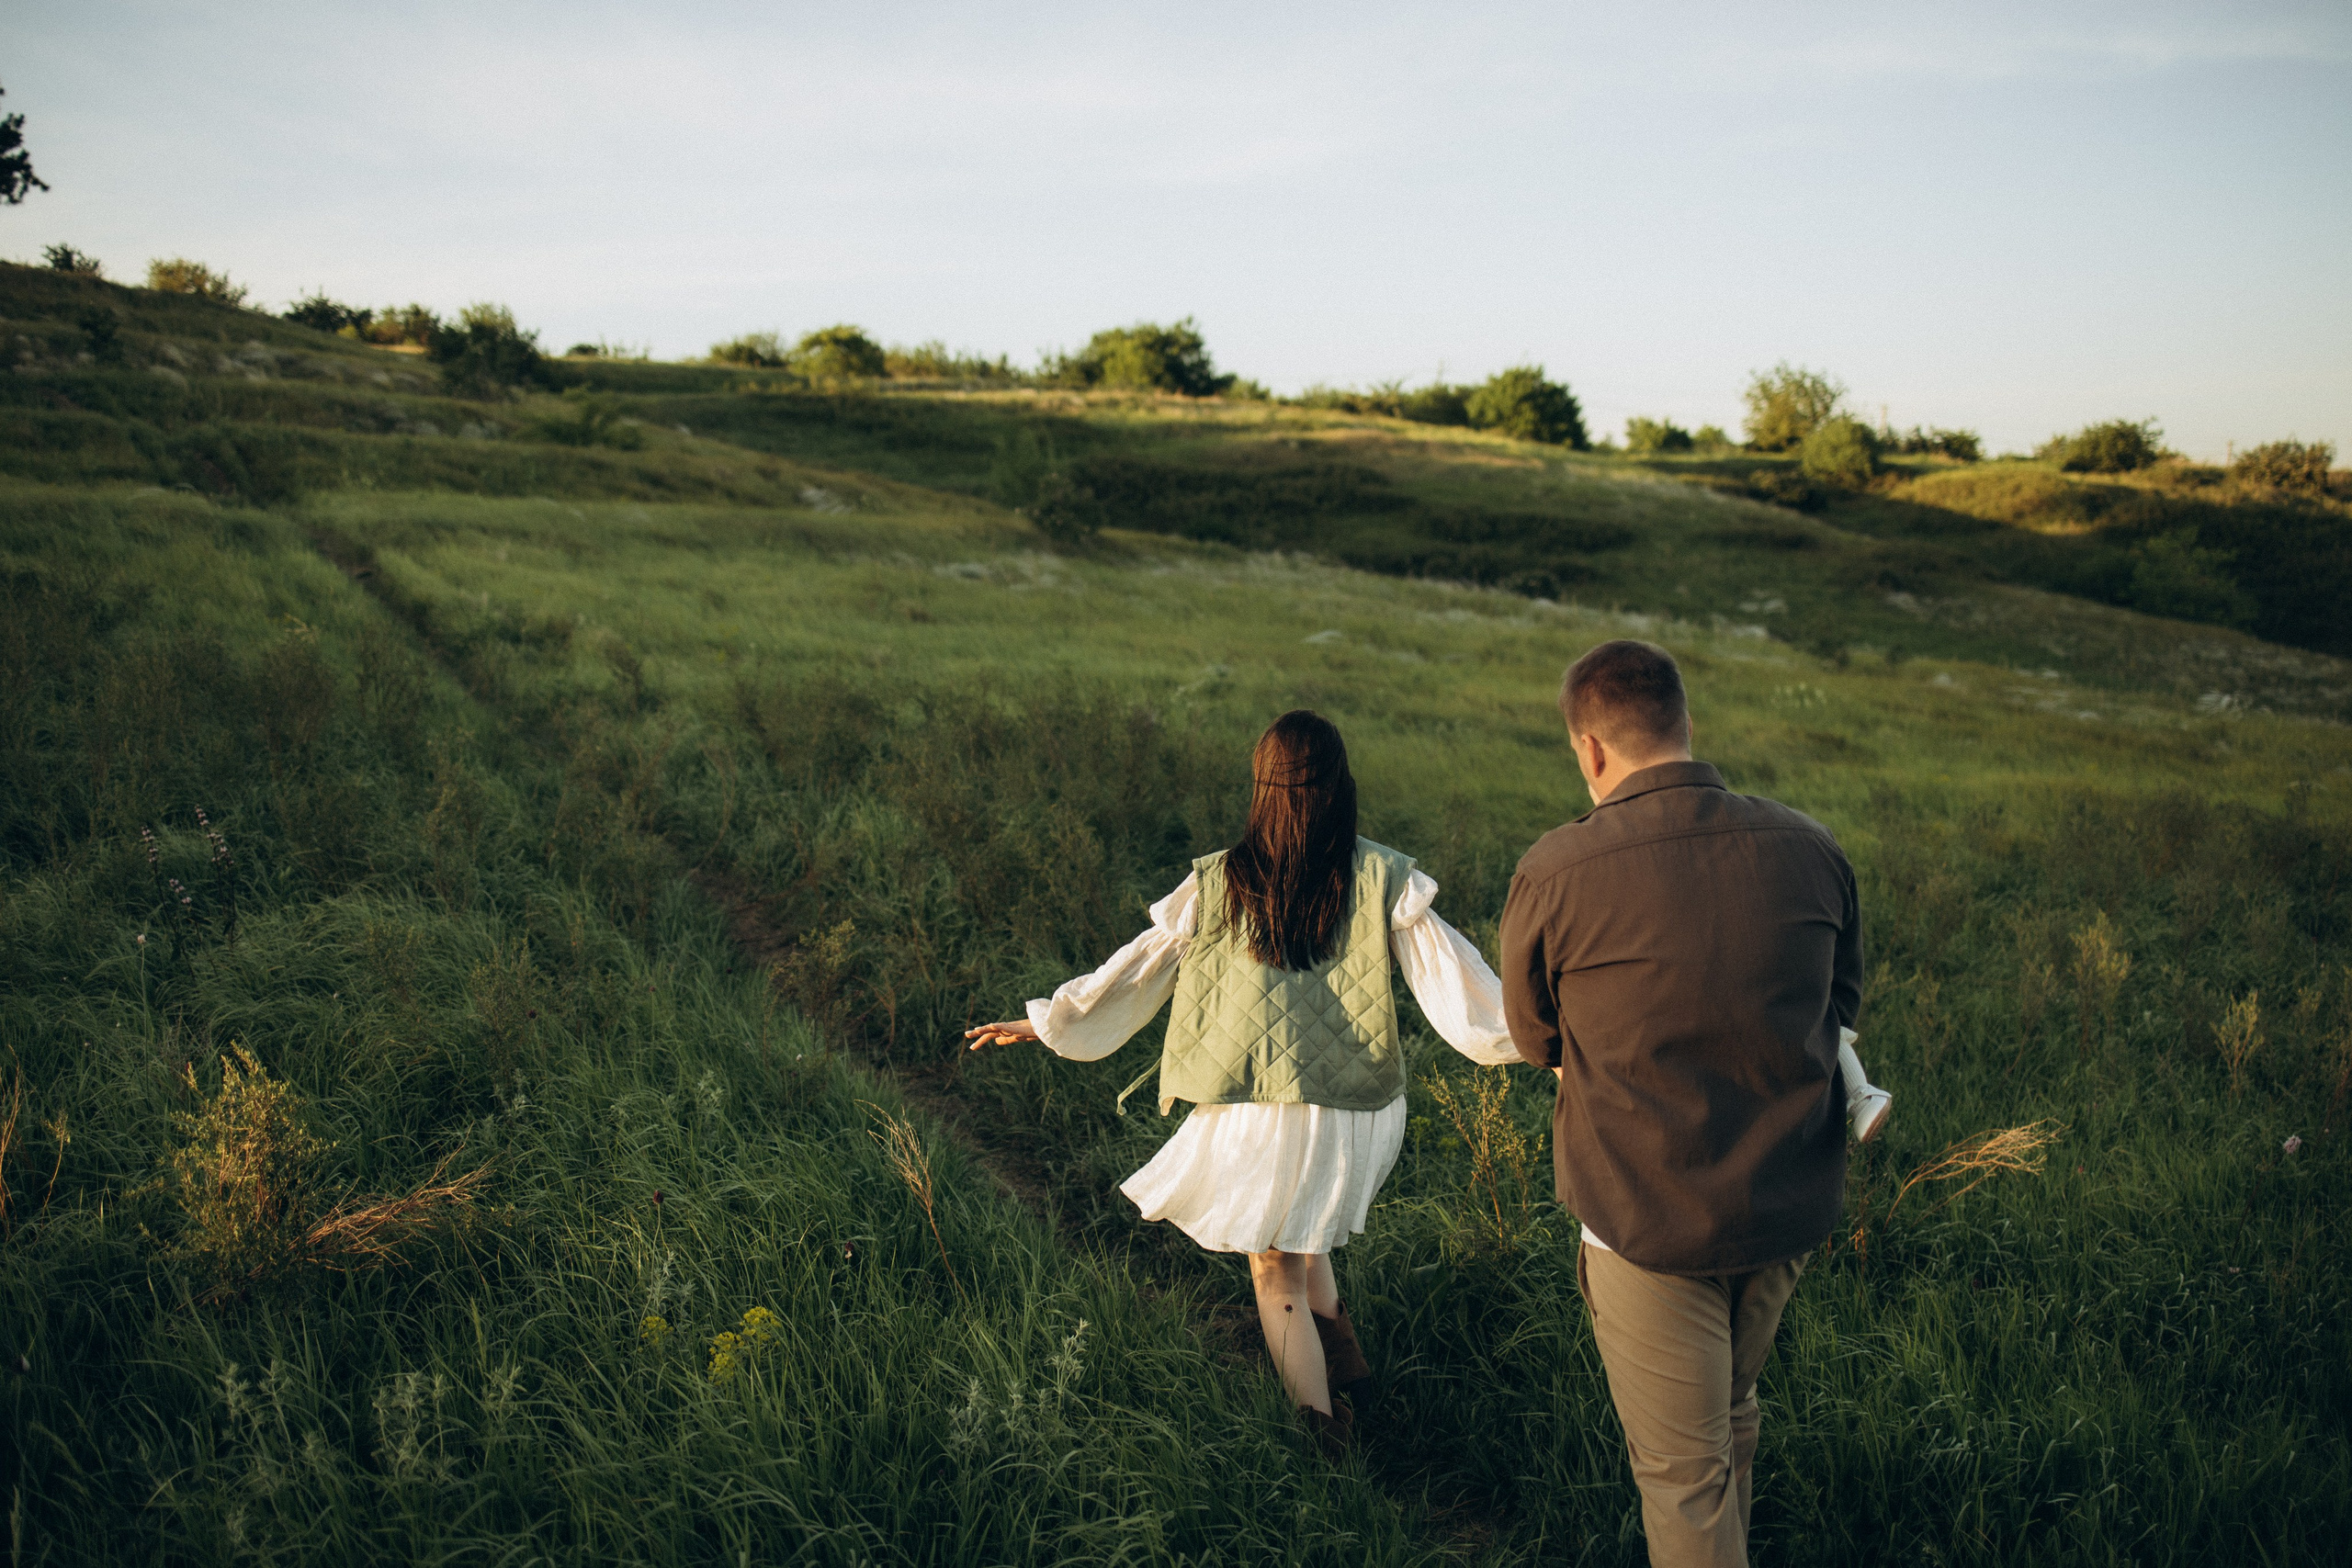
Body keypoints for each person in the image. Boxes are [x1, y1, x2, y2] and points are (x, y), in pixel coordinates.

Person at [966, 709, 1518, 1453]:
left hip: (1258, 1105)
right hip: (1357, 1107)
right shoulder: (1386, 876)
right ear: (1340, 789)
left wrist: (1049, 1020)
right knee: (1304, 1229)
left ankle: (1326, 1443)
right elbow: (1467, 990)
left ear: (1261, 789)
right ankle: (1353, 1375)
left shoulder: (1220, 881)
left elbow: (1131, 974)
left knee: (1273, 1264)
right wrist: (1544, 1033)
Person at [1499, 639, 1866, 1568]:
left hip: (1646, 1219)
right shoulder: (1811, 847)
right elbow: (1841, 1007)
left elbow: (1537, 1040)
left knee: (1679, 1474)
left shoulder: (1554, 872)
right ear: (1683, 723)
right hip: (1786, 1206)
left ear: (1589, 750)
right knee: (1728, 1411)